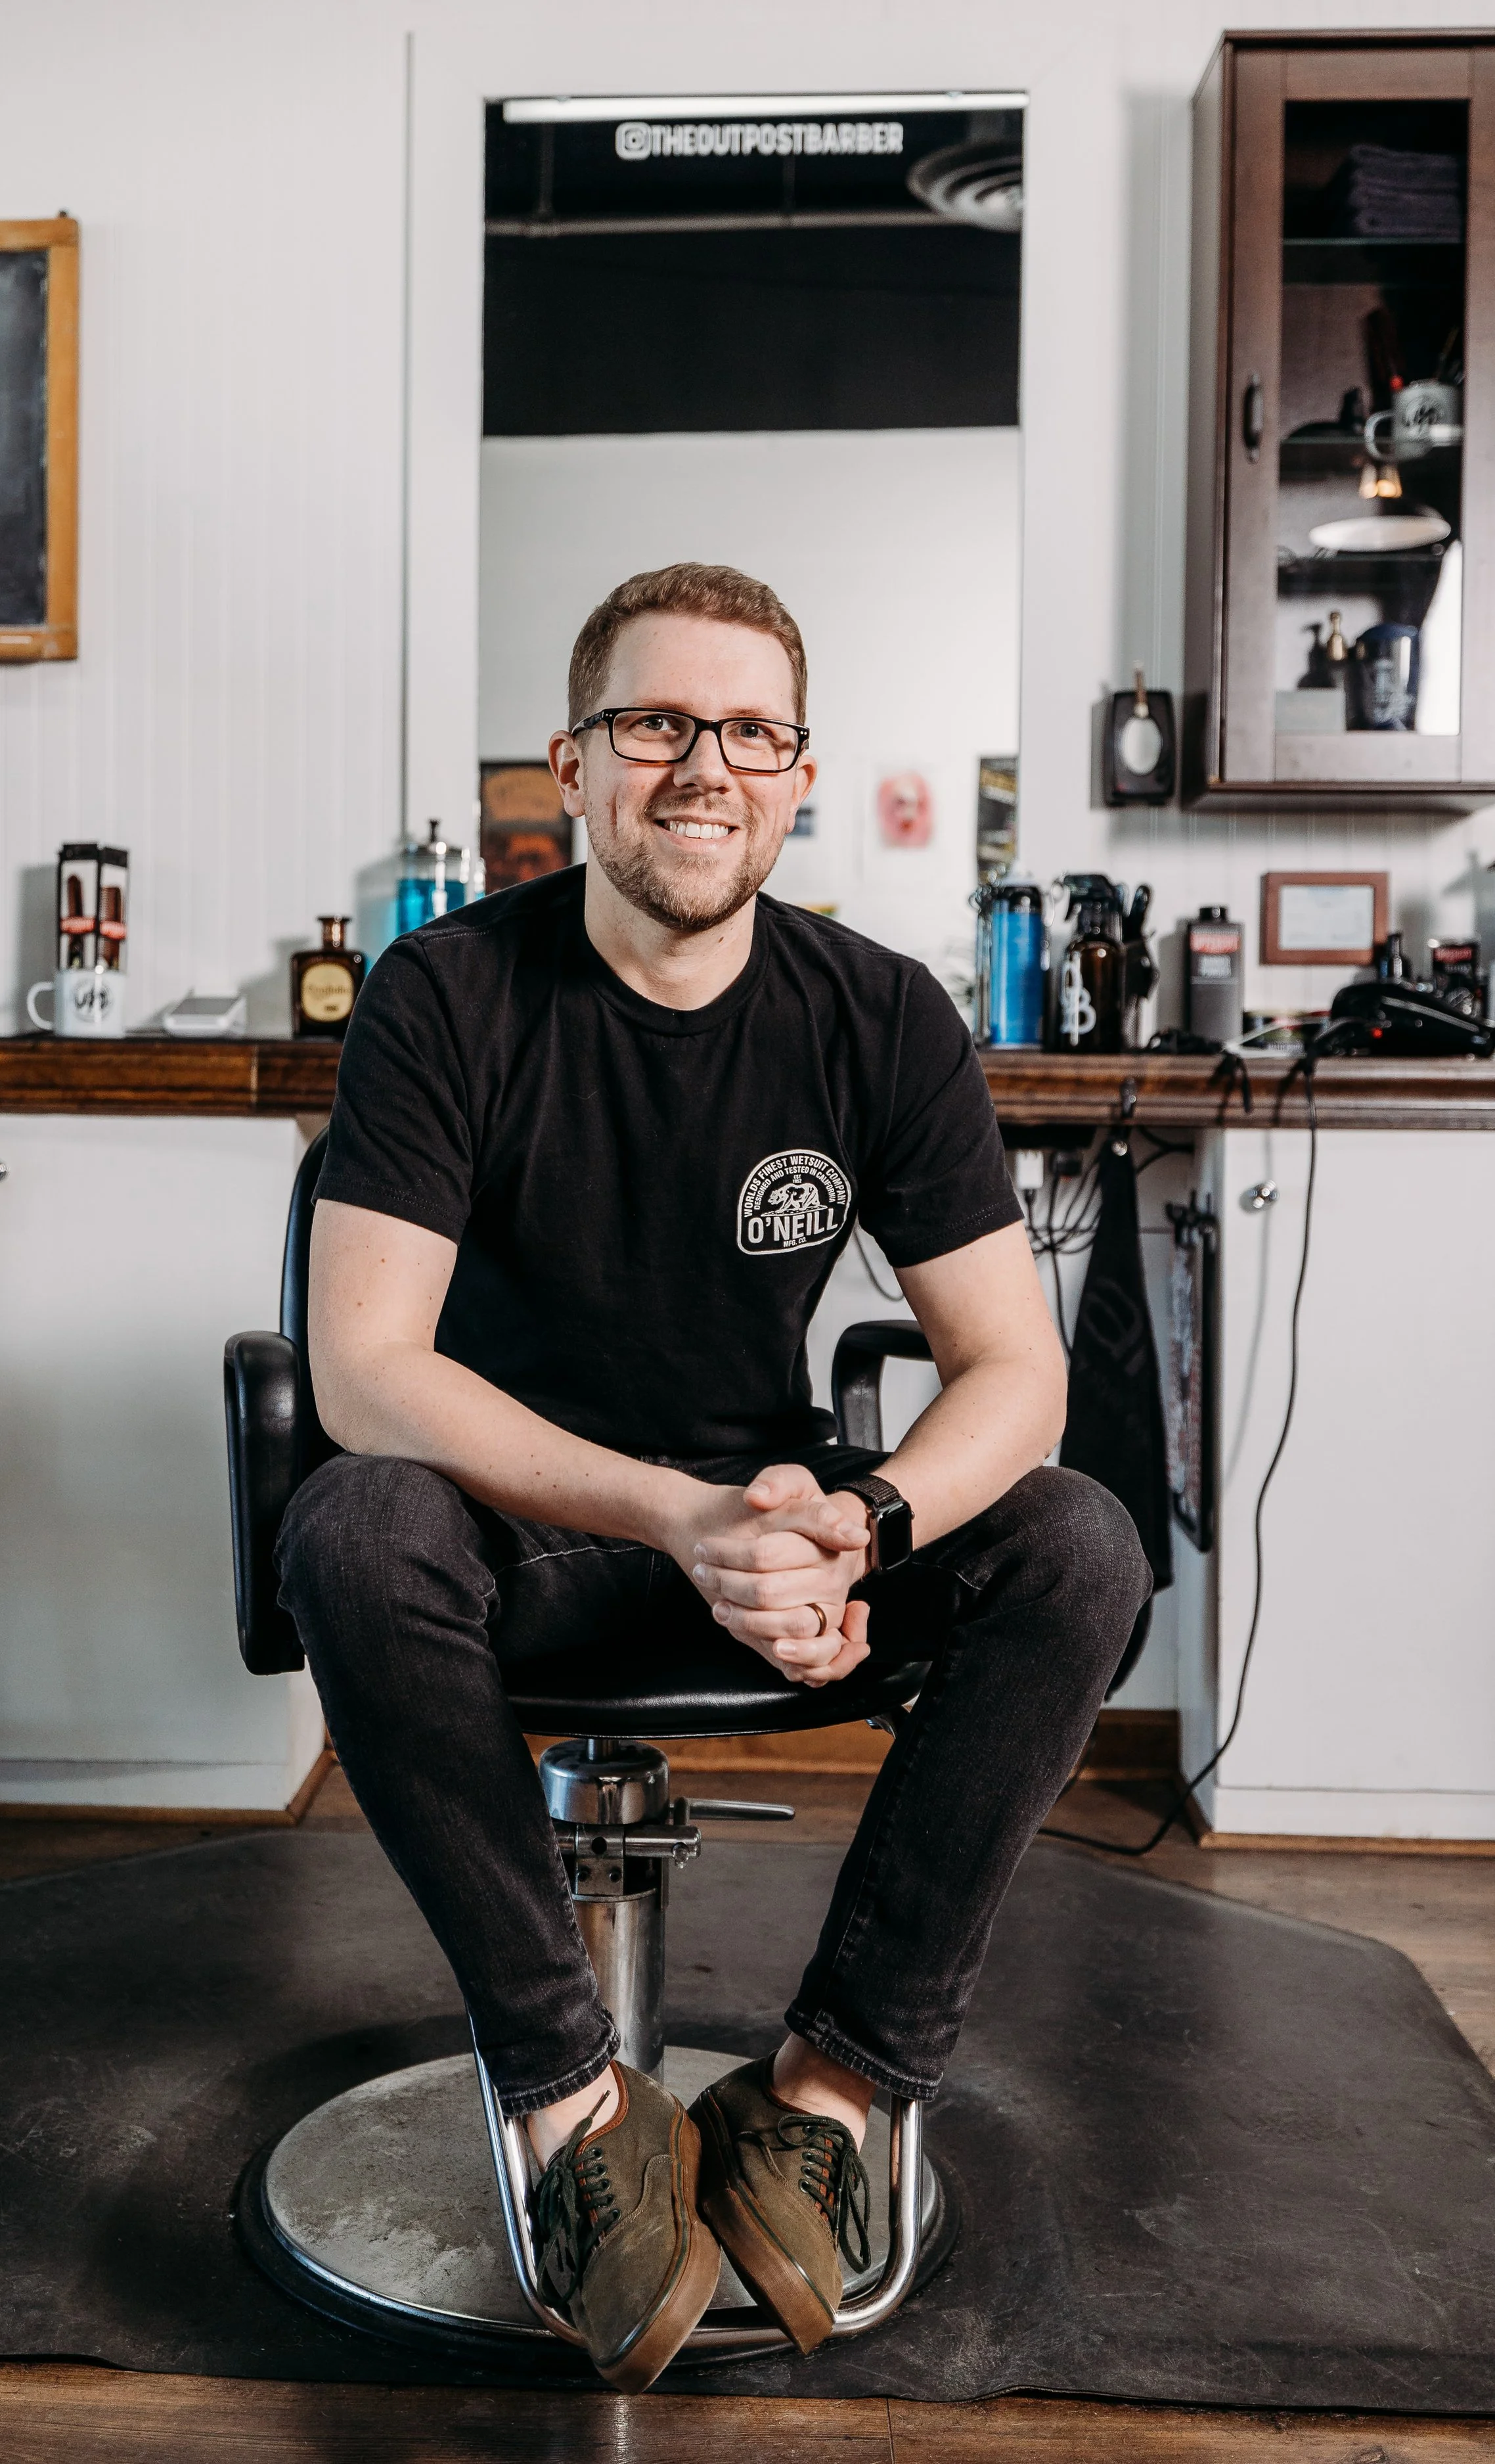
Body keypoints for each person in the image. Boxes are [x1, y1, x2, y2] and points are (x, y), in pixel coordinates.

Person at [277, 561, 1149, 2391]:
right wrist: (682, 1513)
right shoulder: (446, 994)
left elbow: (1014, 1370)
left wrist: (866, 1518)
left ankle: (827, 2083)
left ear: (798, 771)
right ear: (572, 764)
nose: (703, 768)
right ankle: (566, 2097)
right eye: (656, 723)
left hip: (771, 1517)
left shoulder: (877, 1013)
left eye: (748, 730)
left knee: (1075, 1544)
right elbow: (367, 1372)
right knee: (352, 1522)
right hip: (520, 1529)